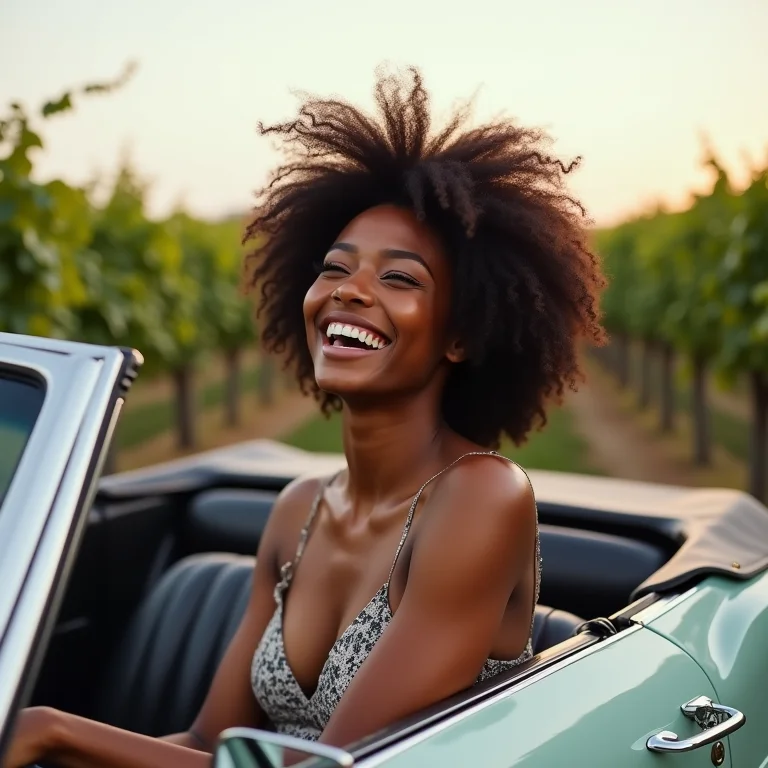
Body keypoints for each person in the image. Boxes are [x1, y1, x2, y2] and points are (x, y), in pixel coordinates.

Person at [4, 67, 605, 768]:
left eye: (399, 277)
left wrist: (52, 730)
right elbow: (208, 745)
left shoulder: (481, 497)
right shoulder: (297, 511)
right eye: (335, 268)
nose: (350, 292)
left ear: (462, 335)